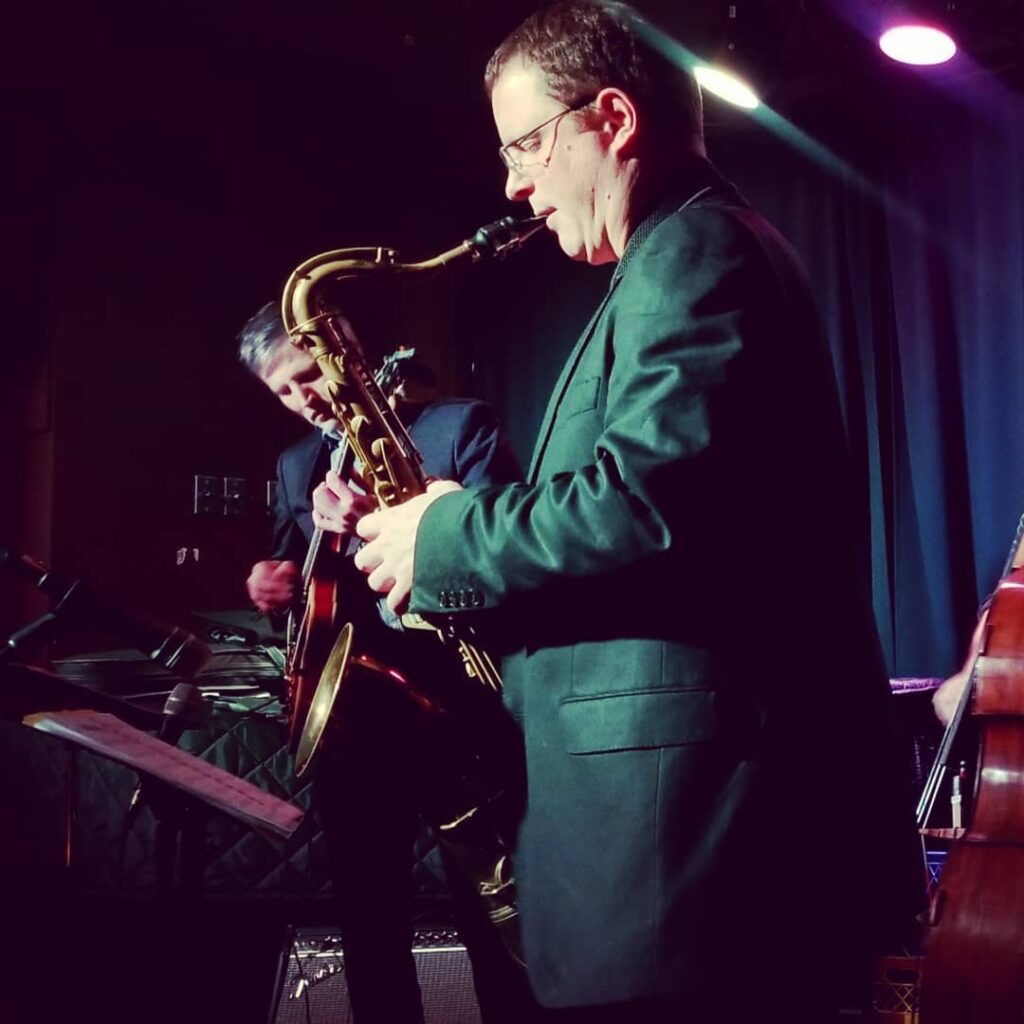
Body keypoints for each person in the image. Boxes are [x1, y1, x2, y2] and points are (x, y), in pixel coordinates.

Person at [326, 3, 923, 1021]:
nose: (513, 184)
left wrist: (448, 535)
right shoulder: (679, 256)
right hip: (678, 865)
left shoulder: (697, 252)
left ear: (611, 118)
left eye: (524, 144)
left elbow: (646, 505)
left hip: (693, 866)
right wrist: (454, 545)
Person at [238, 302, 534, 1024]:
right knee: (368, 923)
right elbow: (298, 577)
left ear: (349, 356)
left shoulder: (457, 427)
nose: (303, 398)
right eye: (282, 390)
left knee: (491, 916)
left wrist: (382, 521)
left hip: (456, 706)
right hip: (355, 720)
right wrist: (271, 584)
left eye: (308, 375)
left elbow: (501, 554)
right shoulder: (294, 465)